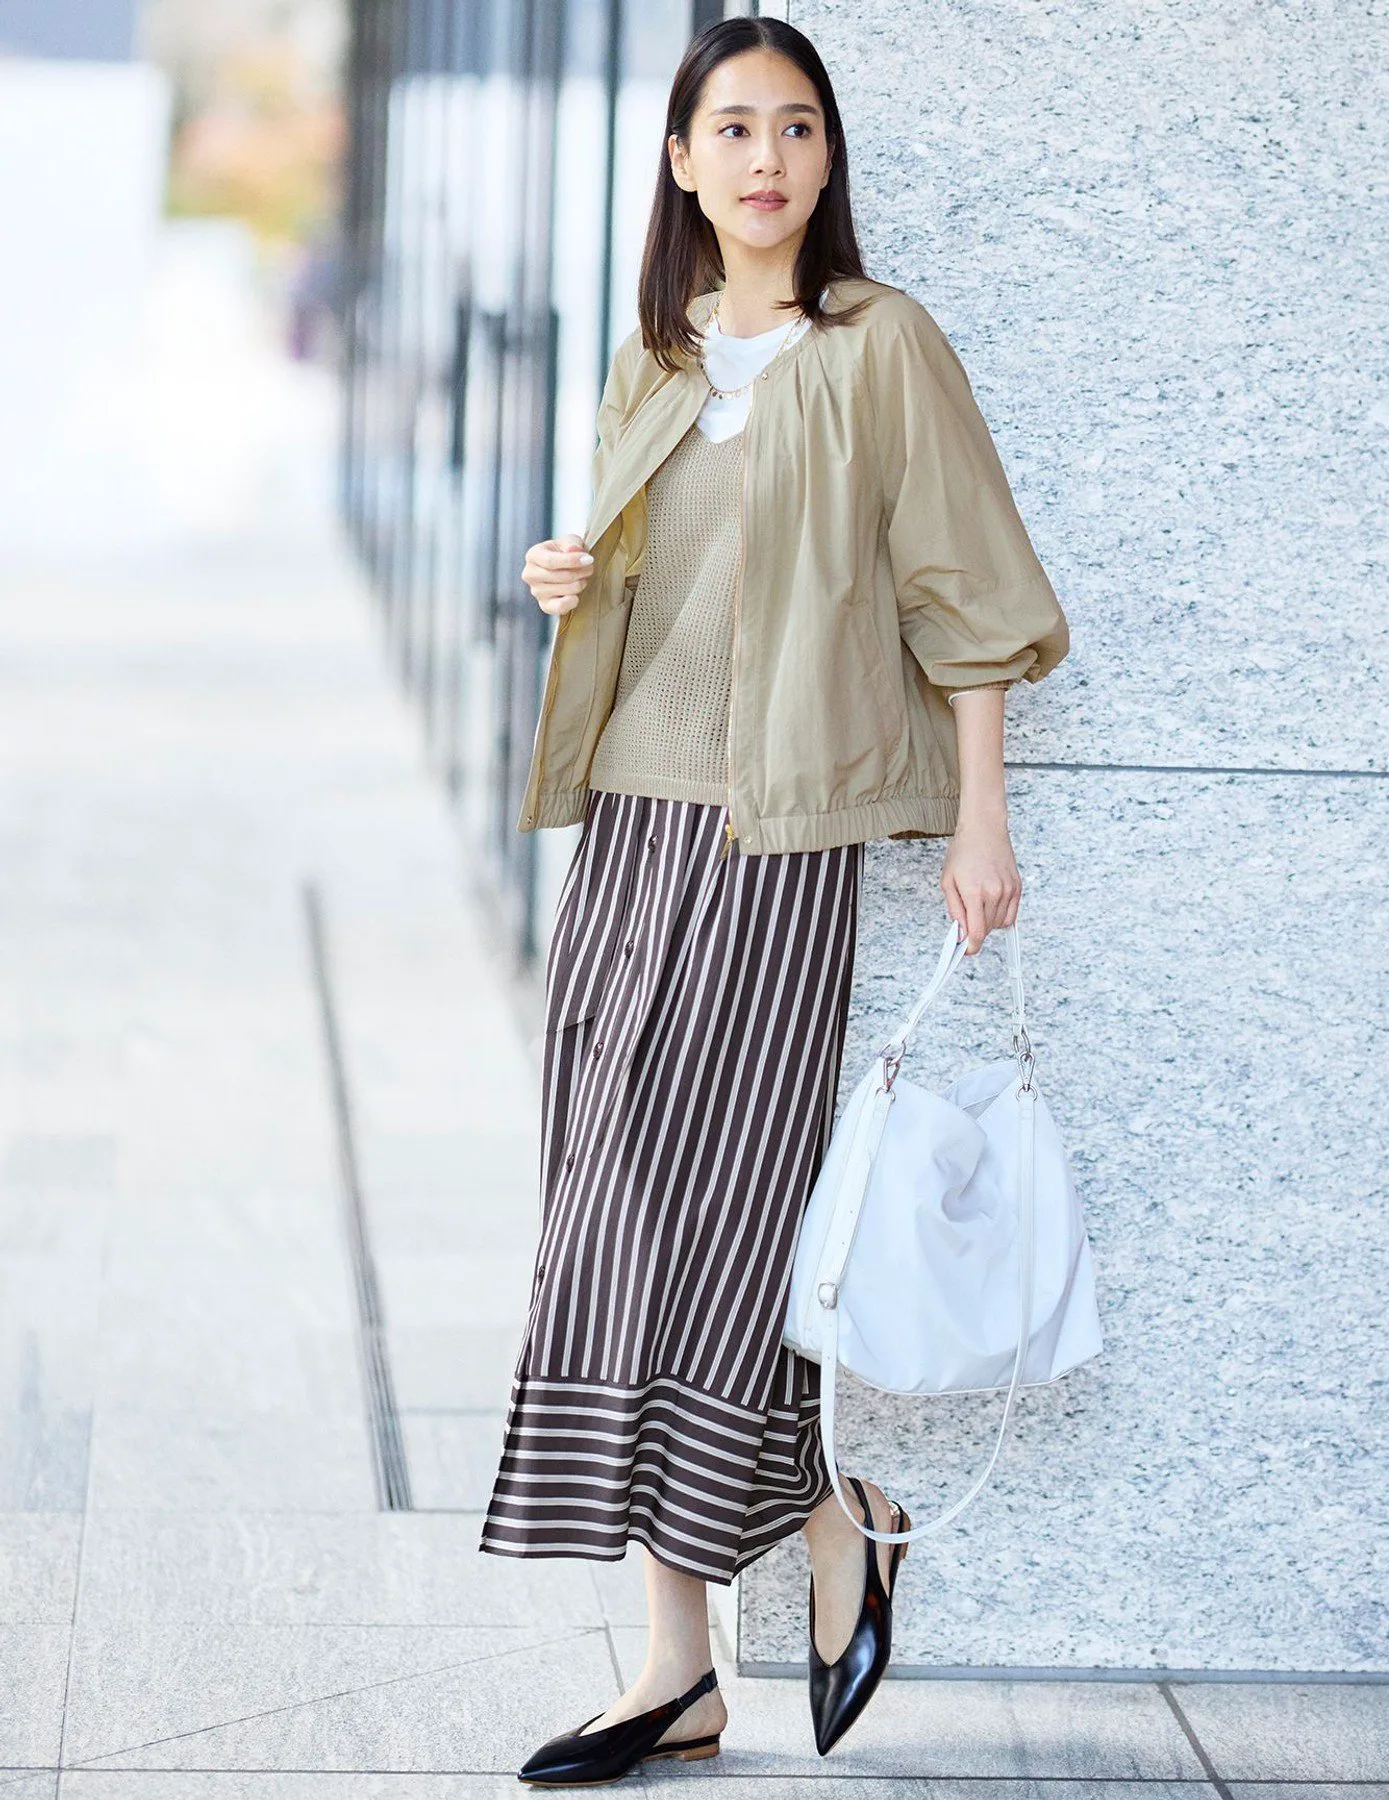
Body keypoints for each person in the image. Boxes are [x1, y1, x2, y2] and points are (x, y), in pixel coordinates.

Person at [480, 15, 1069, 1788]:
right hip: (627, 833)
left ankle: (793, 1551)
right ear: (680, 160)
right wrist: (564, 576)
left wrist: (981, 821)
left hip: (774, 842)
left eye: (795, 127)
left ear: (826, 160)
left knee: (722, 1222)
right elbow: (650, 584)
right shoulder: (653, 358)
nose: (764, 158)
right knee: (603, 1212)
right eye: (731, 128)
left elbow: (969, 592)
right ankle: (717, 1628)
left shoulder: (882, 344)